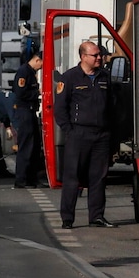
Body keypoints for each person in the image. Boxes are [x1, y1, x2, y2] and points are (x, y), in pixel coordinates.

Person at [54, 42, 117, 229]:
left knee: (99, 177)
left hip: (101, 135)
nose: (99, 58)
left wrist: (110, 131)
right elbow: (60, 109)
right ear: (83, 57)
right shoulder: (70, 78)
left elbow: (112, 106)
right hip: (78, 134)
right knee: (72, 177)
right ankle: (67, 218)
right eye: (94, 55)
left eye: (99, 55)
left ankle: (96, 216)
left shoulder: (105, 77)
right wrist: (70, 131)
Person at [12, 51, 45, 189]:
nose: (42, 68)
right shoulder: (24, 72)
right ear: (37, 60)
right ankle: (21, 179)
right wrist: (38, 92)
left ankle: (32, 178)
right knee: (26, 146)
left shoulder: (30, 72)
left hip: (30, 111)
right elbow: (20, 92)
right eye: (42, 64)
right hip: (24, 111)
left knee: (35, 146)